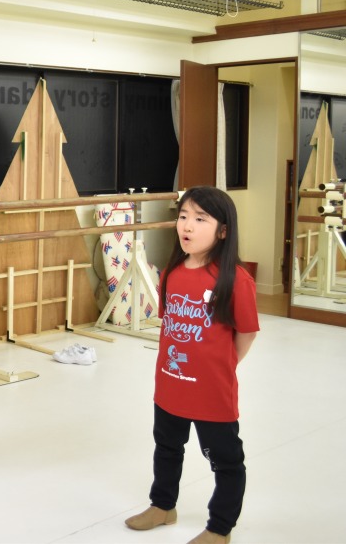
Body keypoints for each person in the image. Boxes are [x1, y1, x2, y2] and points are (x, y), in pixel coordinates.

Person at [124, 186, 259, 544]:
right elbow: (169, 325)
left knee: (226, 462)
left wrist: (221, 366)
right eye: (183, 216)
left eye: (200, 219)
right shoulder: (172, 272)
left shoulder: (236, 280)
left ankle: (220, 528)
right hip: (170, 384)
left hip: (211, 392)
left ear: (223, 231)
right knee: (167, 448)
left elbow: (246, 333)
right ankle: (162, 506)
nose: (187, 226)